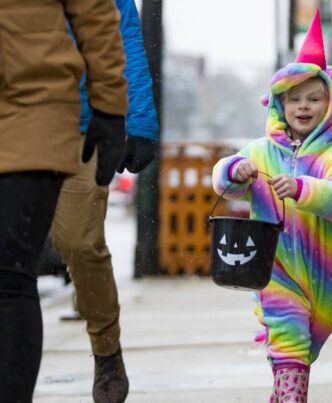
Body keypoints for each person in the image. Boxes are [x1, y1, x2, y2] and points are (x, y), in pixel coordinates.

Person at [211, 10, 332, 402]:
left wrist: (301, 188)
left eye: (314, 98)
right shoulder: (262, 151)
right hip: (273, 268)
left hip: (324, 276)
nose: (304, 106)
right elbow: (221, 180)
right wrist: (234, 170)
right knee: (289, 339)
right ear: (279, 105)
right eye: (294, 99)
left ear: (330, 104)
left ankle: (282, 395)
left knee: (305, 345)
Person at [0, 1, 127, 401]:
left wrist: (116, 110)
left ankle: (106, 350)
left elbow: (104, 18)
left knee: (11, 270)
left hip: (31, 105)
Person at [48, 0, 159, 401]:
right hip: (12, 124)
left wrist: (140, 121)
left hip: (81, 129)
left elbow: (125, 39)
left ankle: (106, 351)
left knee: (79, 243)